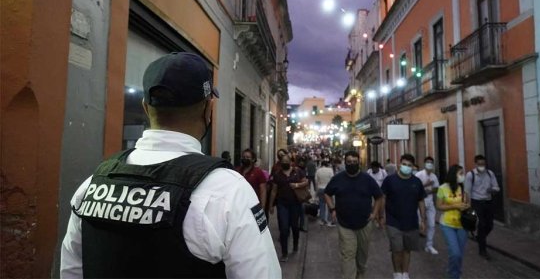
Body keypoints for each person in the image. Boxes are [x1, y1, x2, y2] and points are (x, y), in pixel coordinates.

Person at [60, 52, 280, 278]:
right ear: (208, 109)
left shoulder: (91, 187)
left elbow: (71, 271)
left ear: (146, 107)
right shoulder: (228, 192)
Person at [325, 151, 383, 279]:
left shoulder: (367, 180)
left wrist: (374, 214)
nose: (352, 164)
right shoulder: (338, 179)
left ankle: (360, 274)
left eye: (355, 162)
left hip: (364, 224)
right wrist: (332, 209)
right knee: (348, 255)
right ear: (345, 163)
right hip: (345, 224)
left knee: (362, 258)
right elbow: (327, 193)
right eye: (349, 162)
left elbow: (379, 196)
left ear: (359, 162)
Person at [380, 154, 426, 279]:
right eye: (404, 164)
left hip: (411, 221)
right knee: (396, 249)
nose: (406, 167)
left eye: (409, 165)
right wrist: (381, 215)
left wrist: (423, 219)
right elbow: (383, 198)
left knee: (407, 249)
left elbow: (421, 201)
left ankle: (405, 273)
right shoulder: (390, 180)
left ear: (413, 167)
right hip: (393, 221)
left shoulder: (416, 182)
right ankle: (397, 273)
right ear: (399, 164)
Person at [269, 154, 308, 262]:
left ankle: (295, 244)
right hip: (282, 204)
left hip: (295, 204)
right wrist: (271, 205)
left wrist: (296, 185)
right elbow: (274, 190)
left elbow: (306, 182)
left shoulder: (297, 171)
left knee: (295, 227)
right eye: (283, 161)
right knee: (284, 228)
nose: (285, 163)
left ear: (291, 162)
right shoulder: (277, 174)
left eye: (287, 161)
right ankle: (284, 252)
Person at [437, 164, 470, 279]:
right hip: (447, 224)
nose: (462, 176)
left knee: (459, 254)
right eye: (460, 173)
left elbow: (468, 203)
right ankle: (453, 276)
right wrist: (455, 206)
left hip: (462, 225)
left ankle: (455, 273)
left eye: (463, 173)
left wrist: (465, 206)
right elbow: (439, 206)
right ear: (453, 174)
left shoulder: (463, 187)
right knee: (455, 252)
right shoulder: (442, 188)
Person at [464, 155, 500, 260]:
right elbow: (467, 191)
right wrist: (468, 207)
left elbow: (496, 187)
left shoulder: (490, 173)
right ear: (475, 164)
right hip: (476, 202)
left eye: (483, 164)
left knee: (490, 225)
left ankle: (480, 238)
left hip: (488, 201)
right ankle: (482, 250)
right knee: (482, 225)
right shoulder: (470, 175)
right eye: (479, 164)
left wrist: (493, 190)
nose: (482, 166)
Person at [415, 156, 440, 255]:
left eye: (431, 162)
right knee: (418, 223)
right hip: (419, 203)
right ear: (424, 164)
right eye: (428, 162)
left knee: (432, 224)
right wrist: (426, 185)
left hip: (430, 203)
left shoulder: (434, 176)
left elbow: (437, 188)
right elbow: (415, 188)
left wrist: (431, 190)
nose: (429, 164)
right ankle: (414, 241)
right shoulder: (419, 175)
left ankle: (429, 245)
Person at [315, 158, 335, 226]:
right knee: (330, 205)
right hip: (328, 189)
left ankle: (322, 220)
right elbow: (332, 180)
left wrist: (316, 191)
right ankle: (330, 221)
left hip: (320, 188)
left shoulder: (318, 170)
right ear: (327, 164)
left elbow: (316, 181)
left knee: (322, 205)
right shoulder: (330, 170)